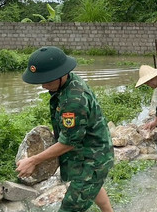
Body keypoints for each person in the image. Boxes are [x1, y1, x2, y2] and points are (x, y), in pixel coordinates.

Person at [17, 46, 114, 212]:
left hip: (92, 159)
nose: (43, 86)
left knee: (70, 207)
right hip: (88, 149)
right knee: (93, 187)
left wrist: (33, 160)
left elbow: (68, 143)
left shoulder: (73, 100)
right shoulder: (68, 82)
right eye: (41, 80)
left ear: (62, 74)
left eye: (47, 80)